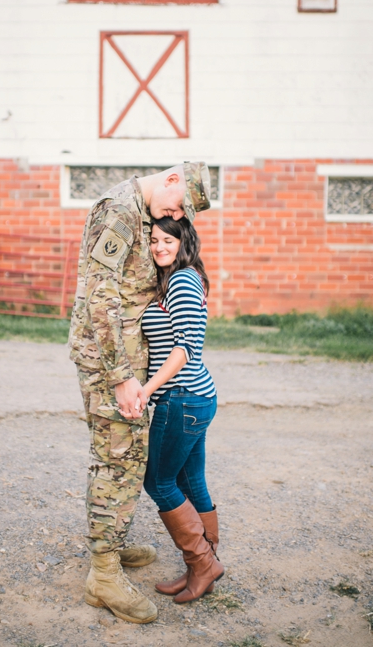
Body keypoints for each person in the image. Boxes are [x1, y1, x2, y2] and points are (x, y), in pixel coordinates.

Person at [68, 162, 211, 624]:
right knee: (118, 459)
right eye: (174, 206)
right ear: (171, 180)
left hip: (129, 362)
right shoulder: (120, 209)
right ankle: (104, 575)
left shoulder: (142, 209)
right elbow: (100, 296)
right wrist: (121, 375)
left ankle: (112, 545)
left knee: (127, 458)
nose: (170, 215)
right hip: (115, 365)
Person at [141, 216, 223, 603]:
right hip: (193, 398)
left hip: (182, 397)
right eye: (154, 240)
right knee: (191, 483)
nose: (159, 246)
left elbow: (184, 348)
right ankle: (200, 567)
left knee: (158, 482)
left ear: (183, 240)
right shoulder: (175, 279)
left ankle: (203, 563)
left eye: (167, 240)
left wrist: (146, 390)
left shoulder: (182, 279)